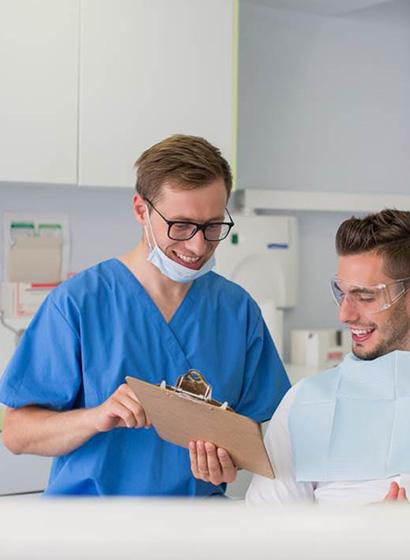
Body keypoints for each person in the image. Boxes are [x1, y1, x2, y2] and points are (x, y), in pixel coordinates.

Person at [0, 134, 290, 496]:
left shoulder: (236, 310)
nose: (198, 246)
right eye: (181, 226)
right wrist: (95, 417)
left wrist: (231, 459)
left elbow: (261, 430)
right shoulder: (79, 304)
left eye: (213, 226)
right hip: (93, 527)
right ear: (141, 210)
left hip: (197, 526)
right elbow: (16, 433)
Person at [246, 209, 410, 504]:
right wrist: (364, 537)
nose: (345, 314)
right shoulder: (303, 404)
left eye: (365, 296)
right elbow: (266, 534)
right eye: (341, 293)